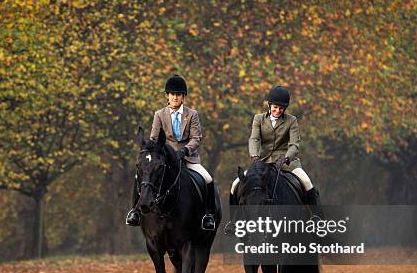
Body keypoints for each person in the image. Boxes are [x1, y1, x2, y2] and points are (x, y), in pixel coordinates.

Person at [126, 75, 217, 230]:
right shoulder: (159, 114)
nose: (175, 97)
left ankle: (208, 215)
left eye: (178, 94)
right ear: (167, 96)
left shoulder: (192, 114)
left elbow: (196, 138)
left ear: (183, 97)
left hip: (187, 158)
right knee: (140, 176)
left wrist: (184, 151)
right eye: (172, 94)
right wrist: (156, 150)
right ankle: (135, 211)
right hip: (165, 158)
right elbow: (154, 138)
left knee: (207, 179)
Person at [231, 85, 323, 219]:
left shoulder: (292, 121)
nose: (278, 110)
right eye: (275, 107)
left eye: (281, 108)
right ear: (269, 105)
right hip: (262, 163)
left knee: (307, 183)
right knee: (236, 185)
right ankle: (234, 220)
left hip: (286, 163)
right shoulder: (259, 119)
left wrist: (286, 158)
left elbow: (294, 144)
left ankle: (316, 218)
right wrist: (255, 156)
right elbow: (254, 139)